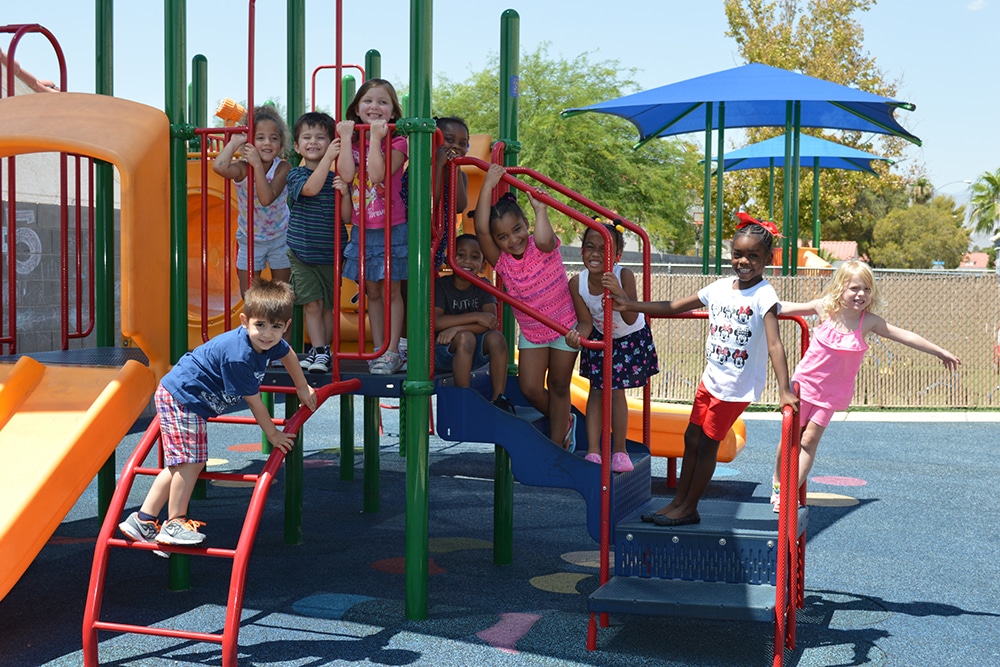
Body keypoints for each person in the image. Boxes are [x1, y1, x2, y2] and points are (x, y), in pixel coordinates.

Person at [610, 212, 798, 526]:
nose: (744, 261)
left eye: (753, 256)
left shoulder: (764, 294)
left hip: (735, 387)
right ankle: (679, 502)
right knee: (691, 439)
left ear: (767, 259)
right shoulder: (720, 287)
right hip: (710, 380)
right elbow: (673, 306)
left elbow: (775, 344)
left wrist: (785, 389)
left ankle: (689, 507)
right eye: (738, 254)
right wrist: (631, 306)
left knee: (708, 445)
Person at [118, 278, 317, 550]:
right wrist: (272, 433)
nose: (268, 334)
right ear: (245, 320)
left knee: (180, 464)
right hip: (185, 396)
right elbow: (254, 401)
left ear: (286, 326)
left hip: (188, 397)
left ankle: (143, 519)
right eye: (260, 325)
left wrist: (302, 386)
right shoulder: (239, 356)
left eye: (276, 327)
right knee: (191, 461)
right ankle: (176, 522)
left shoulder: (273, 343)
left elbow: (289, 354)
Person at [771, 259, 961, 511]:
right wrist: (753, 300)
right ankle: (776, 483)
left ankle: (786, 493)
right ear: (840, 288)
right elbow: (782, 307)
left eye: (867, 290)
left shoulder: (868, 322)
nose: (861, 294)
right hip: (804, 386)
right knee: (790, 436)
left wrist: (939, 351)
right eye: (854, 289)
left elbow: (905, 335)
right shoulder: (824, 309)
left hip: (830, 395)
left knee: (809, 441)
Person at [474, 163, 579, 449]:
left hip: (563, 326)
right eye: (503, 237)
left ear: (526, 225)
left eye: (517, 230)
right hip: (533, 332)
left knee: (559, 385)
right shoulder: (502, 262)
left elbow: (544, 238)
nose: (513, 239)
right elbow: (480, 229)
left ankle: (557, 446)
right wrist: (488, 184)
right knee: (530, 388)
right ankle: (565, 420)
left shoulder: (541, 245)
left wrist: (540, 209)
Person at [570, 221, 659, 474]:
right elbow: (586, 322)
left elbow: (631, 316)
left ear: (616, 256)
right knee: (596, 392)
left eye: (604, 249)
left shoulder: (624, 275)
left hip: (628, 337)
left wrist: (619, 291)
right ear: (582, 251)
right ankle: (594, 451)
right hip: (601, 336)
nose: (596, 254)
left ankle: (619, 450)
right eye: (590, 247)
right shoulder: (577, 284)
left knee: (616, 391)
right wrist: (577, 336)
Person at [336, 79, 408, 375]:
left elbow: (377, 175)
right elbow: (345, 173)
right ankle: (379, 348)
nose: (374, 107)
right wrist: (344, 138)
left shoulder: (398, 142)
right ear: (356, 108)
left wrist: (376, 140)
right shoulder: (351, 143)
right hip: (363, 229)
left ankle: (392, 351)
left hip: (391, 227)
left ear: (392, 113)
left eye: (382, 102)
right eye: (368, 101)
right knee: (373, 293)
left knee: (391, 291)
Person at [285, 111, 348, 374]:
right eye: (307, 137)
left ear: (332, 141)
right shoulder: (296, 176)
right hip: (302, 252)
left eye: (321, 137)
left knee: (329, 308)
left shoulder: (336, 179)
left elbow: (346, 217)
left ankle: (322, 350)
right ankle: (320, 350)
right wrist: (329, 159)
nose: (314, 142)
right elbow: (310, 189)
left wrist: (345, 193)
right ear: (297, 146)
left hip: (332, 253)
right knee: (312, 303)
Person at [211, 105, 292, 297]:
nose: (267, 143)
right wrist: (234, 143)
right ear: (250, 142)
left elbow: (267, 198)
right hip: (249, 239)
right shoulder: (242, 168)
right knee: (250, 295)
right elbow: (219, 167)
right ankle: (252, 327)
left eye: (273, 138)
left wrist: (256, 164)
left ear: (280, 145)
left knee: (282, 296)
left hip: (280, 237)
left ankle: (282, 327)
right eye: (260, 137)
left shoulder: (283, 168)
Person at [434, 233, 513, 412]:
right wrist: (476, 317)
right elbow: (437, 322)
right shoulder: (442, 286)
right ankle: (464, 397)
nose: (467, 261)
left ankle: (498, 399)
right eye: (460, 255)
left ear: (483, 265)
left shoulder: (483, 285)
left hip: (473, 351)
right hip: (443, 350)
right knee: (465, 338)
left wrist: (457, 327)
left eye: (475, 257)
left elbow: (491, 323)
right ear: (449, 260)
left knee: (497, 338)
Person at [433, 116, 470, 271]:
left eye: (462, 144)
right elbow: (430, 202)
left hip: (439, 242)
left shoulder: (461, 176)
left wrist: (457, 169)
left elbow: (459, 206)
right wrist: (438, 165)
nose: (456, 146)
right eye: (448, 139)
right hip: (417, 239)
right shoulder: (424, 169)